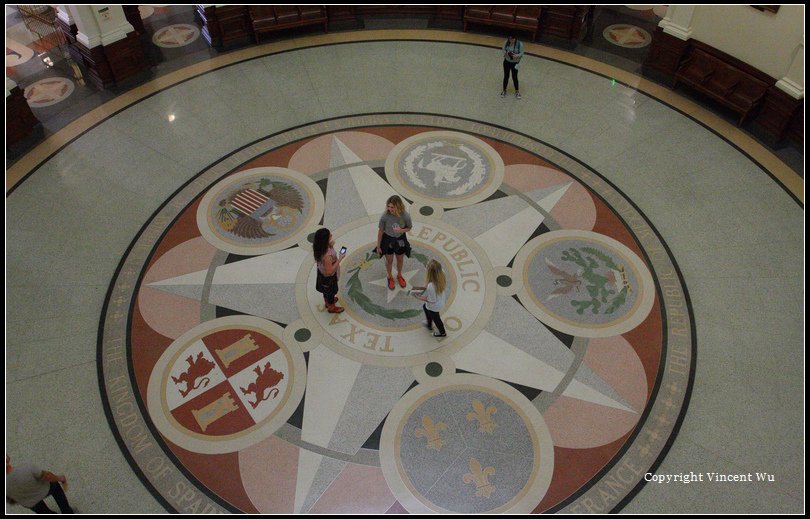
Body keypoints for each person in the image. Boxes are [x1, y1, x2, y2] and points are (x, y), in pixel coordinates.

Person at [6, 455, 75, 514]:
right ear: (7, 459)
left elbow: (10, 500)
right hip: (44, 489)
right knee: (55, 486)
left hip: (28, 502)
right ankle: (67, 511)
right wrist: (60, 478)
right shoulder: (26, 468)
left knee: (43, 511)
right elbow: (47, 476)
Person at [376, 195, 413, 290]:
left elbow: (409, 228)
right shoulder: (385, 216)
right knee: (389, 261)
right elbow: (380, 231)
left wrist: (401, 230)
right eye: (388, 206)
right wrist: (378, 245)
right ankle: (390, 276)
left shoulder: (405, 216)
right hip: (387, 239)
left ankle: (399, 275)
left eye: (392, 207)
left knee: (400, 259)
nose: (390, 209)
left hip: (400, 239)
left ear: (398, 206)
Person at [412, 259, 448, 338]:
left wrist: (419, 297)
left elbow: (431, 300)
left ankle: (442, 333)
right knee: (425, 307)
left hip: (435, 306)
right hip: (441, 298)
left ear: (430, 273)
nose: (426, 267)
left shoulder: (431, 286)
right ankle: (429, 324)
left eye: (427, 267)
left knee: (436, 319)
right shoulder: (441, 273)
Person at [313, 228, 345, 313]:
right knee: (330, 292)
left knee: (325, 291)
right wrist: (340, 258)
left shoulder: (318, 247)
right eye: (330, 236)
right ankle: (331, 307)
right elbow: (329, 271)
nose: (332, 236)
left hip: (321, 274)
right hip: (328, 279)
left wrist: (330, 246)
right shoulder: (327, 256)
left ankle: (327, 302)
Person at [500, 34, 524, 99]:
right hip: (507, 62)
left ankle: (517, 91)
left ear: (515, 38)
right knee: (506, 76)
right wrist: (506, 53)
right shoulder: (506, 42)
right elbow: (503, 49)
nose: (511, 41)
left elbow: (522, 53)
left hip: (515, 63)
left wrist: (516, 55)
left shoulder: (519, 44)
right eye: (509, 39)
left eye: (512, 39)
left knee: (515, 77)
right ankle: (504, 90)